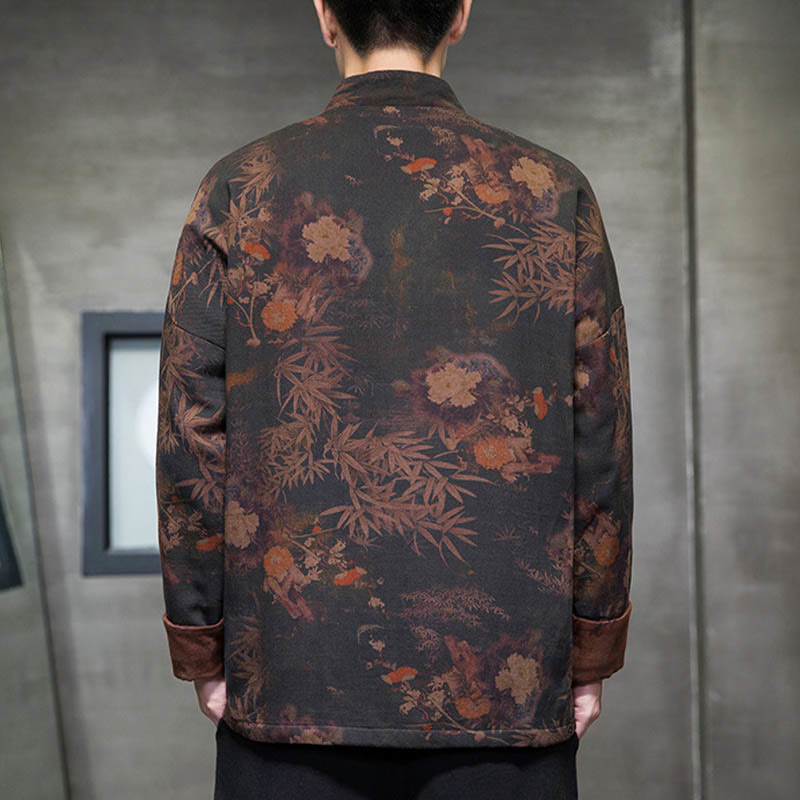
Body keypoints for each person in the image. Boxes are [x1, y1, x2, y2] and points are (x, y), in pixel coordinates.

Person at [155, 1, 634, 797]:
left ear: (324, 14)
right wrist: (590, 650)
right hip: (505, 695)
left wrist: (204, 646)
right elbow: (599, 433)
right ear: (461, 14)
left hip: (291, 687)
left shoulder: (241, 187)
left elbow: (191, 432)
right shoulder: (553, 192)